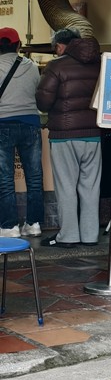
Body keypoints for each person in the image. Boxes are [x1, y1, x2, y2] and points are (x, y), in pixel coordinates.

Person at [35, 29, 102, 248]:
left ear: (62, 46)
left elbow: (43, 102)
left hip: (64, 135)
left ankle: (69, 235)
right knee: (91, 187)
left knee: (66, 187)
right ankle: (90, 235)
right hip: (93, 134)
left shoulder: (56, 66)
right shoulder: (100, 63)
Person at [0, 28, 43, 238]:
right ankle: (34, 224)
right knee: (34, 176)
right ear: (18, 45)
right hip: (31, 123)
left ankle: (9, 226)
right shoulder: (32, 67)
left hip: (3, 124)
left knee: (5, 177)